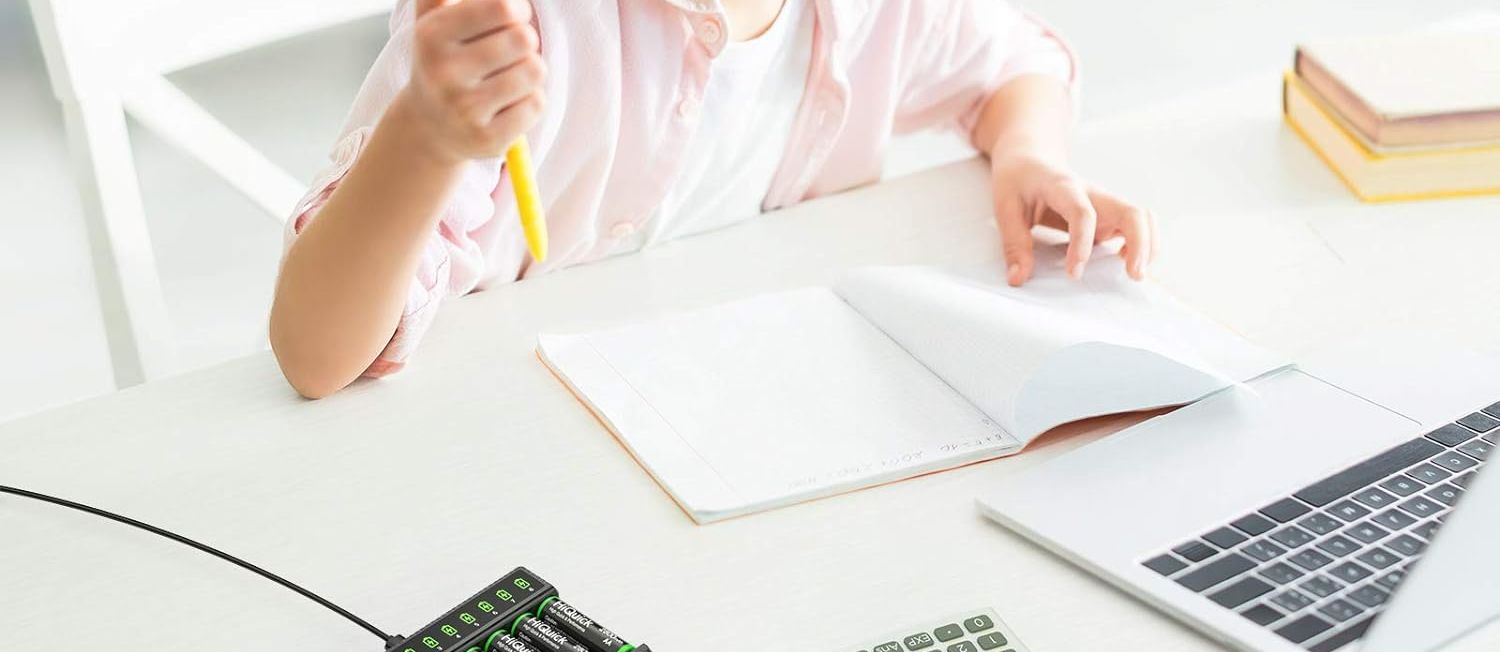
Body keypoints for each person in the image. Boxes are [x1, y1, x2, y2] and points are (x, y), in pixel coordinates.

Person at [270, 0, 1155, 398]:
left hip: (767, 417)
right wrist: (424, 135)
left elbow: (1012, 60)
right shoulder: (517, 27)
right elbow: (316, 355)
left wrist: (1028, 155)